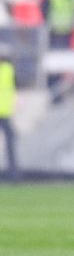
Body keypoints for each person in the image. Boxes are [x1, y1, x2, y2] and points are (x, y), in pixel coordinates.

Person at [0, 44, 16, 179]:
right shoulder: (9, 69)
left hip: (5, 113)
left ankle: (13, 172)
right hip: (5, 112)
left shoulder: (8, 69)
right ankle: (13, 172)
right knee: (10, 142)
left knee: (11, 142)